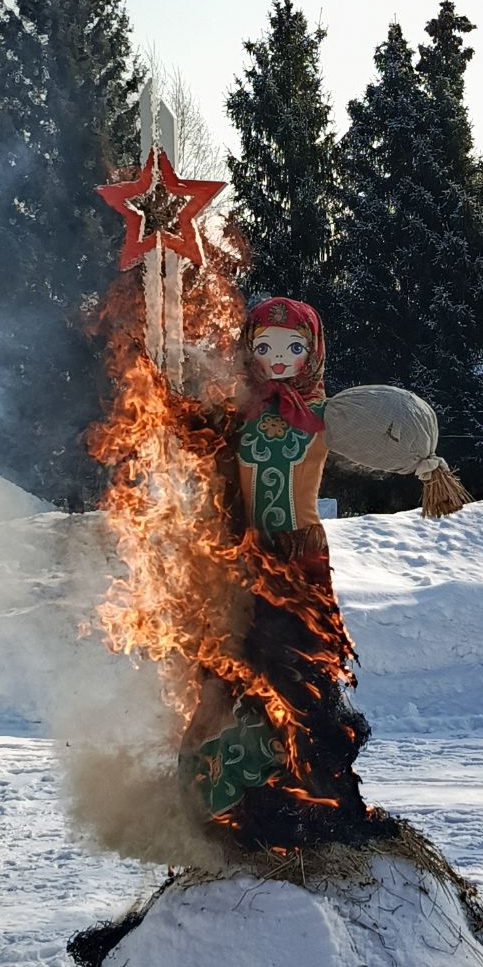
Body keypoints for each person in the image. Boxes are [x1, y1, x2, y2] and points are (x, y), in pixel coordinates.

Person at [178, 296, 375, 849]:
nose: (279, 357)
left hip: (301, 560)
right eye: (264, 347)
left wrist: (422, 456)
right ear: (248, 351)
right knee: (239, 667)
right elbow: (190, 435)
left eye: (294, 346)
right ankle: (238, 792)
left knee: (297, 672)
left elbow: (384, 433)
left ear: (314, 350)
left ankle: (308, 791)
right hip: (245, 558)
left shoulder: (328, 415)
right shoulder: (239, 411)